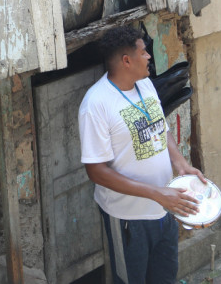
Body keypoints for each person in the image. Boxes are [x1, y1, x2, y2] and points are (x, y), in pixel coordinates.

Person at [78, 25, 206, 284]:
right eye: (143, 52)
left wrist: (181, 164)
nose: (149, 57)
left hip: (165, 211)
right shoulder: (96, 104)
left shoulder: (145, 85)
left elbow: (161, 127)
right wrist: (157, 194)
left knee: (165, 278)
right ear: (127, 61)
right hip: (128, 219)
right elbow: (96, 171)